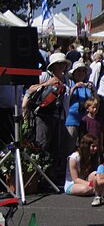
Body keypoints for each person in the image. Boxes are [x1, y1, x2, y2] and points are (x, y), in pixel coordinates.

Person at [24, 51, 70, 184]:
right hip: (43, 116)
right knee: (41, 146)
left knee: (55, 149)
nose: (61, 66)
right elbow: (30, 90)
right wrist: (47, 84)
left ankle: (50, 177)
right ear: (53, 66)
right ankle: (36, 178)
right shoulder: (44, 76)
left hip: (58, 117)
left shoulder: (66, 79)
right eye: (59, 64)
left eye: (63, 64)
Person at [65, 60, 94, 146]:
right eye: (78, 71)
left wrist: (93, 91)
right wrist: (74, 87)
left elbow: (95, 102)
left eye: (83, 71)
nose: (81, 73)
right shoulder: (69, 84)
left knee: (84, 145)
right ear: (73, 73)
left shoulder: (88, 86)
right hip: (71, 120)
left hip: (85, 120)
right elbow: (66, 100)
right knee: (70, 145)